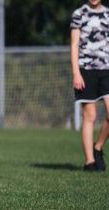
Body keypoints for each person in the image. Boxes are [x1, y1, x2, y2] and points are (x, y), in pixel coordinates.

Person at [71, 0, 109, 172]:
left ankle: (98, 146)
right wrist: (76, 73)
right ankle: (89, 162)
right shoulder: (79, 14)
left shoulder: (107, 14)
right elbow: (74, 45)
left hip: (106, 69)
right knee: (90, 116)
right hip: (86, 70)